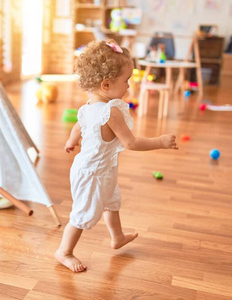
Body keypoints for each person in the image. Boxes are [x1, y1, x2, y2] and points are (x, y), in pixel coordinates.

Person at [55, 40, 178, 272]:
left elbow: (79, 126)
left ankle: (117, 237)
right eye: (126, 81)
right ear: (106, 83)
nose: (129, 87)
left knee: (112, 203)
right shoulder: (110, 112)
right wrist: (160, 142)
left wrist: (72, 140)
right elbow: (131, 142)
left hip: (101, 169)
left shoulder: (89, 105)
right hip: (92, 174)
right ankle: (64, 252)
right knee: (82, 214)